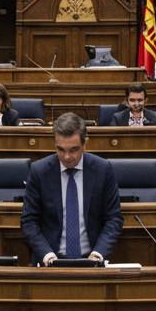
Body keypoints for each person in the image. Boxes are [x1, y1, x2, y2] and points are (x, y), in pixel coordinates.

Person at [20, 112, 123, 265]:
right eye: (61, 149)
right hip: (50, 262)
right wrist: (46, 254)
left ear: (85, 144)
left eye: (73, 150)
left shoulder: (102, 169)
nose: (67, 157)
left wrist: (98, 254)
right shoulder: (39, 171)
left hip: (92, 261)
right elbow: (29, 221)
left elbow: (114, 218)